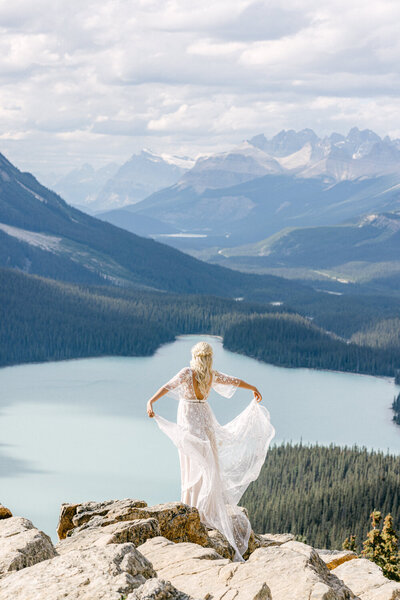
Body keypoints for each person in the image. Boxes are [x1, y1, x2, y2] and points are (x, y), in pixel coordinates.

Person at [146, 341, 275, 562]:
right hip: (204, 418)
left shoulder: (187, 373)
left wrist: (151, 402)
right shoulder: (211, 375)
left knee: (191, 463)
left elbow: (167, 387)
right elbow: (234, 381)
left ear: (195, 357)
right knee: (208, 464)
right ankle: (205, 509)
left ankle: (192, 506)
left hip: (189, 420)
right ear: (209, 358)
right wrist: (253, 387)